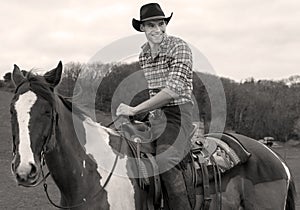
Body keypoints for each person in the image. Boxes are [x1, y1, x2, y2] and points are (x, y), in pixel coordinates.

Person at [116, 3, 193, 210]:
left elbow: (172, 91)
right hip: (155, 115)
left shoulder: (179, 47)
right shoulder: (143, 55)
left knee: (166, 161)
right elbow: (154, 92)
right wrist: (140, 114)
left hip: (179, 112)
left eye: (161, 24)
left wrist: (135, 109)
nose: (157, 29)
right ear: (142, 28)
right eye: (151, 25)